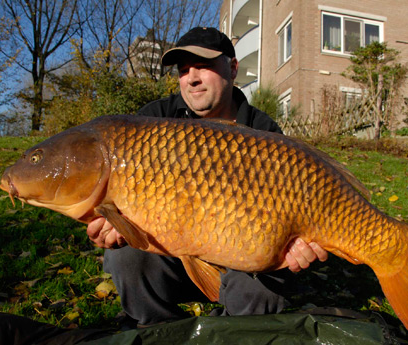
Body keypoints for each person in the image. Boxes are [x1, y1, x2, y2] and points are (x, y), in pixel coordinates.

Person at [87, 27, 328, 327]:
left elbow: (300, 207)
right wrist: (110, 228)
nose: (192, 78)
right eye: (184, 69)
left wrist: (300, 244)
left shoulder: (262, 131)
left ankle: (227, 331)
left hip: (243, 263)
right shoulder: (151, 121)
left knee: (263, 291)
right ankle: (160, 330)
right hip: (172, 258)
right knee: (126, 259)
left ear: (233, 67)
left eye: (204, 66)